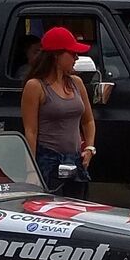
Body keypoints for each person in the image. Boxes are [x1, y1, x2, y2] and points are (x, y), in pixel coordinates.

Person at [20, 26, 97, 195]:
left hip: (76, 160)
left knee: (77, 211)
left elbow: (88, 121)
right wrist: (31, 170)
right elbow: (31, 131)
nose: (76, 58)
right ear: (56, 56)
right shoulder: (35, 86)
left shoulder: (76, 83)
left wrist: (90, 148)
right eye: (72, 53)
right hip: (48, 161)